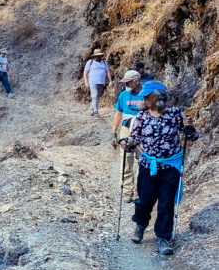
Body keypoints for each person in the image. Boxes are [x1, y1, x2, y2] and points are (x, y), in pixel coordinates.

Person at [120, 81, 199, 255]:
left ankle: (163, 238)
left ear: (158, 96)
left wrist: (190, 127)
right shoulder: (141, 116)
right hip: (148, 165)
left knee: (166, 202)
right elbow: (135, 138)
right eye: (144, 96)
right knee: (144, 199)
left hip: (171, 165)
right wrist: (128, 143)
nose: (144, 98)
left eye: (148, 96)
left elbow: (192, 136)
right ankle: (140, 224)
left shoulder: (175, 114)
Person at [111, 70, 143, 203]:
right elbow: (118, 114)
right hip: (126, 128)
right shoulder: (123, 95)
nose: (127, 85)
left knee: (143, 161)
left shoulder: (146, 95)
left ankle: (141, 191)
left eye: (128, 82)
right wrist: (114, 133)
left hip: (143, 130)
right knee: (125, 160)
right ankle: (127, 191)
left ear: (136, 81)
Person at [83, 49, 113, 116]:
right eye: (97, 56)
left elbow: (108, 72)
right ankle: (96, 112)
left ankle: (92, 109)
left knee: (97, 96)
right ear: (94, 56)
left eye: (99, 56)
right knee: (95, 96)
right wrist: (86, 82)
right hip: (92, 82)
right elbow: (85, 73)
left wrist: (110, 81)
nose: (98, 57)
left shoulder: (104, 62)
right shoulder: (90, 62)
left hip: (101, 82)